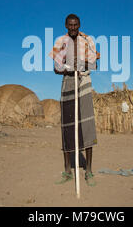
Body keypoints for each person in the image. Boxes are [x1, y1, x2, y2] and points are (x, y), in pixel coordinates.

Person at [49, 13, 100, 187]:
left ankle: (89, 171)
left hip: (84, 81)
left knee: (87, 124)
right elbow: (56, 68)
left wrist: (83, 64)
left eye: (76, 25)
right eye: (70, 25)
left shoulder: (88, 40)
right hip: (68, 82)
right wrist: (68, 69)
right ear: (65, 25)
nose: (73, 28)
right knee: (67, 126)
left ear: (79, 25)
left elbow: (95, 64)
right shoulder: (59, 41)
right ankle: (67, 171)